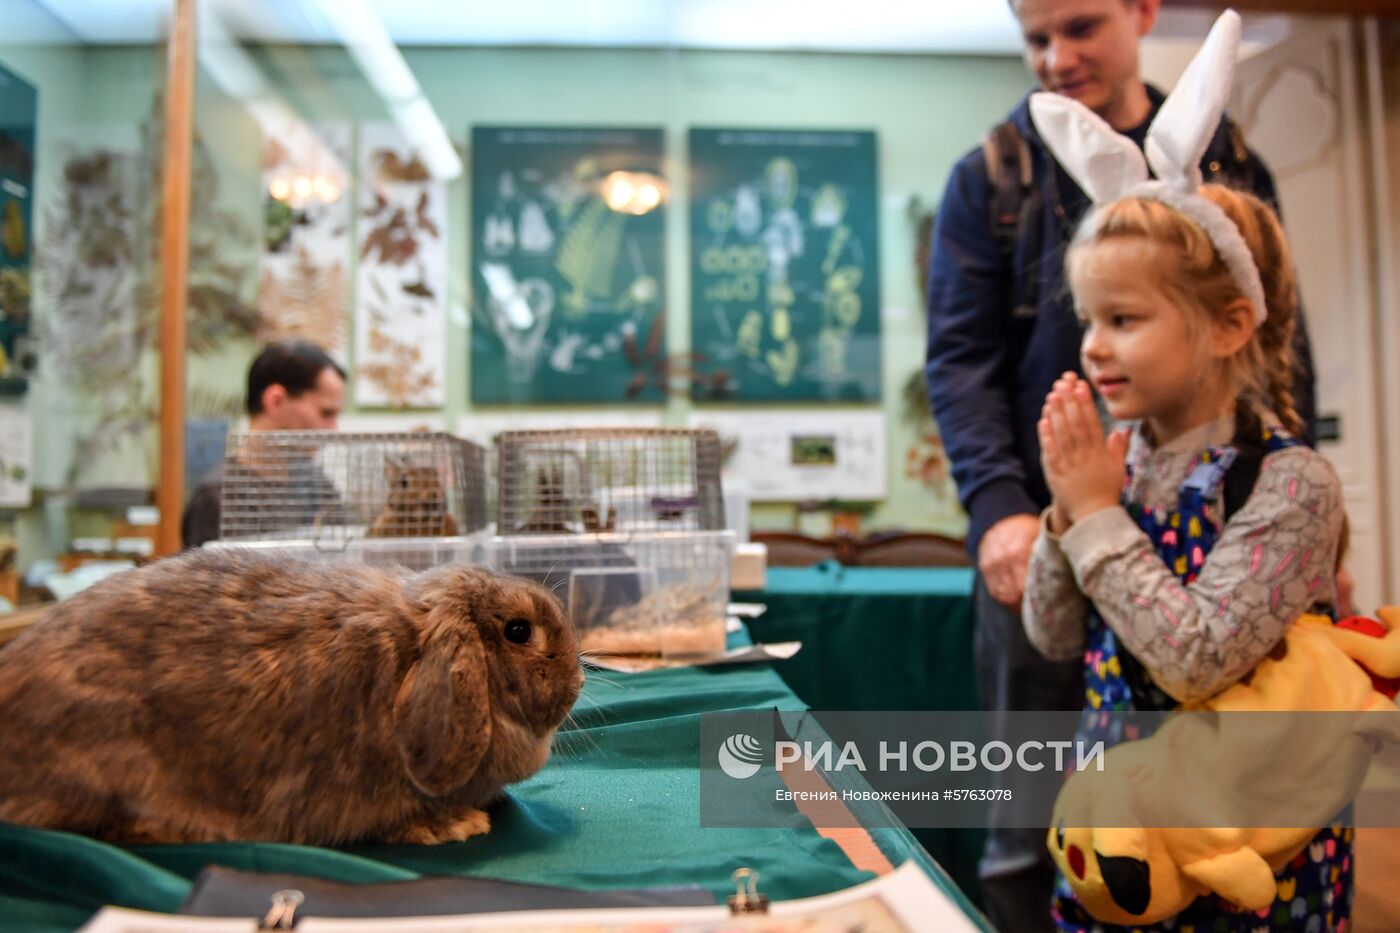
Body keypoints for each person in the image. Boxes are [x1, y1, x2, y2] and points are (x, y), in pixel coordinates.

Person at [922, 1, 1316, 925]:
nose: (1055, 59)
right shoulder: (995, 175)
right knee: (1031, 822)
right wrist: (1013, 511)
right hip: (1051, 521)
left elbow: (1286, 339)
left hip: (1228, 531)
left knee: (1237, 818)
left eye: (1082, 28)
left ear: (1143, 12)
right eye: (1035, 39)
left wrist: (1305, 525)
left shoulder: (1233, 160)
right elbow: (961, 358)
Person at [1021, 13, 1349, 923]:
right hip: (1114, 836)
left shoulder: (1290, 487)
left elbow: (1196, 660)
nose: (1093, 348)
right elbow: (1053, 636)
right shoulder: (1118, 467)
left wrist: (1093, 516)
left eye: (1124, 320)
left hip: (1242, 850)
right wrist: (1063, 513)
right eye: (1087, 321)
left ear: (1229, 324)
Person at [181, 340, 346, 548]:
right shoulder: (218, 497)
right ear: (275, 401)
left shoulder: (316, 484)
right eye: (326, 413)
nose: (333, 429)